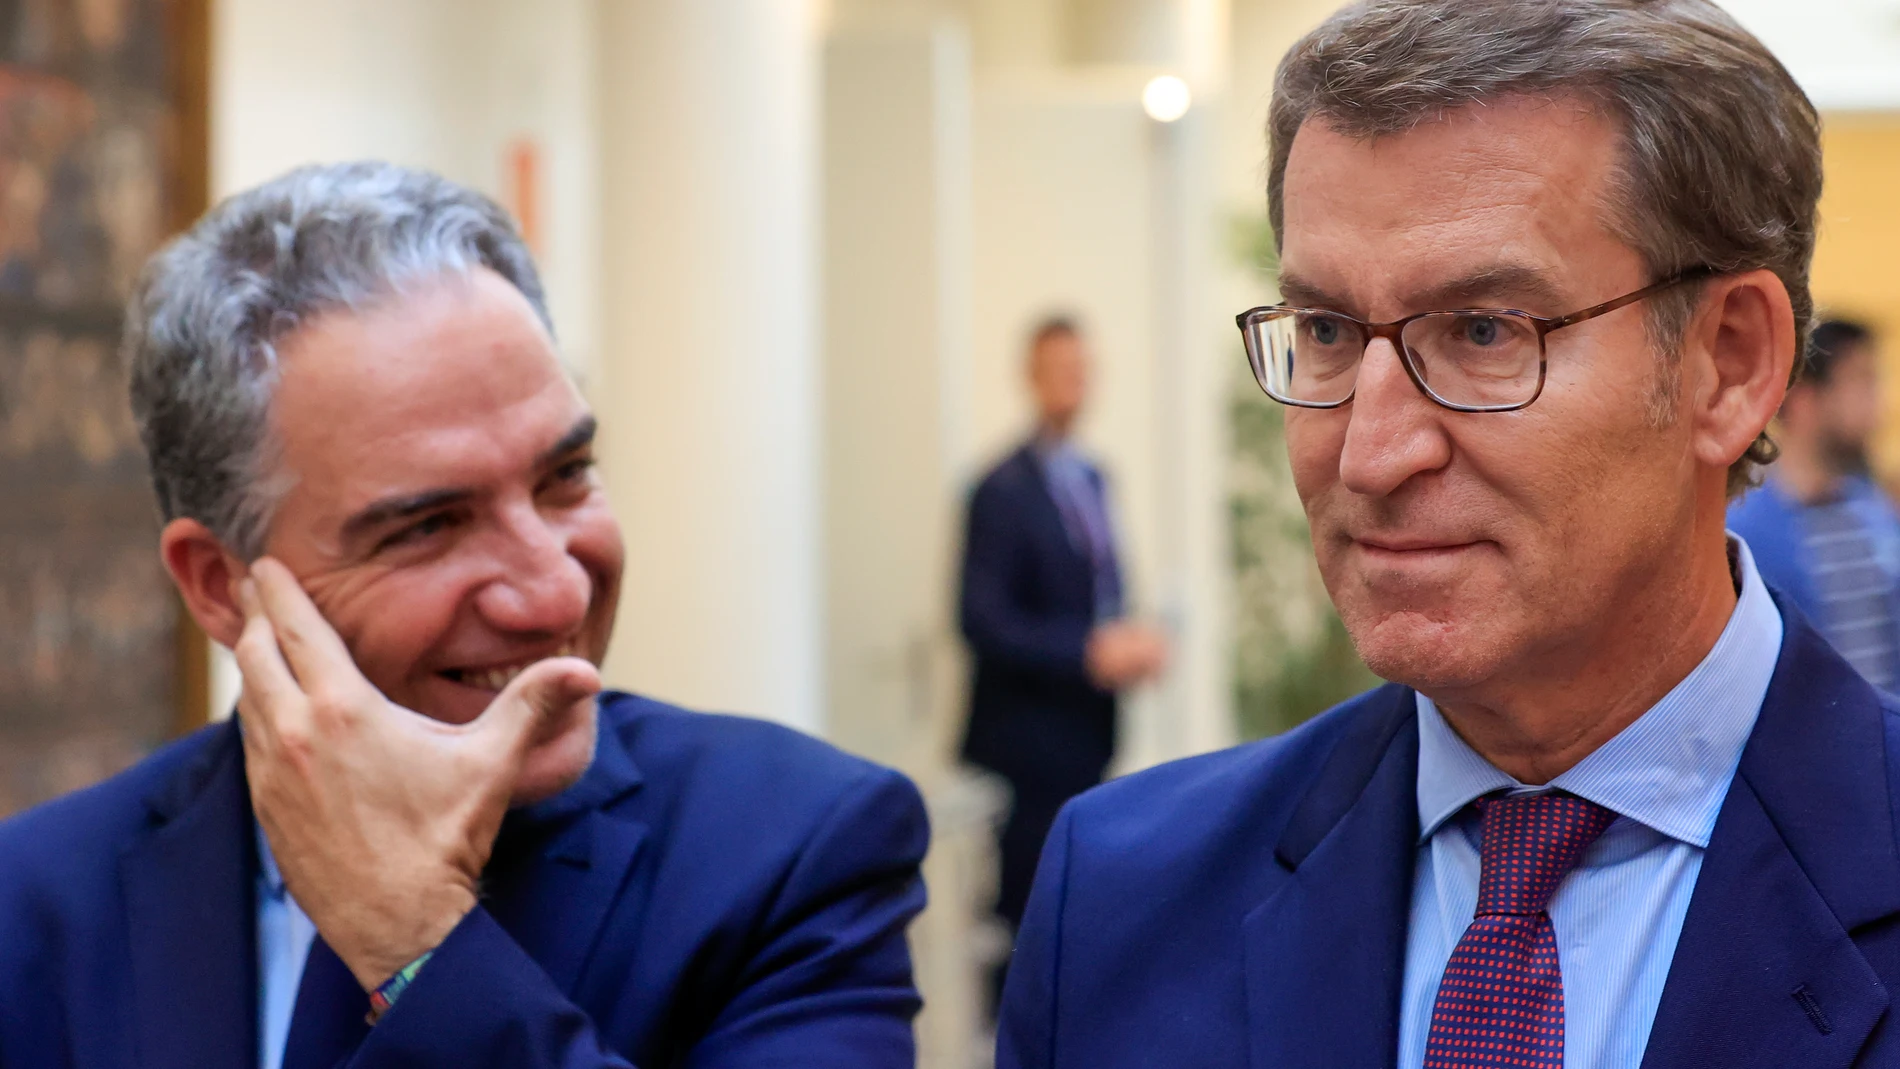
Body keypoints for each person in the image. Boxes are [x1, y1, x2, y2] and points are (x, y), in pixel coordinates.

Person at [997, 1, 1900, 1066]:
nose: (1369, 455)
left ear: (1729, 364)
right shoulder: (1119, 901)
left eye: (1483, 332)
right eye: (1327, 332)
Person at [0, 162, 929, 1069]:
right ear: (216, 582)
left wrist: (412, 944)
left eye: (565, 477)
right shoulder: (37, 905)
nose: (557, 591)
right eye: (429, 525)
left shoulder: (792, 855)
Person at [957, 317, 1167, 975]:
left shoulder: (1095, 477)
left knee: (1082, 906)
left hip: (1088, 732)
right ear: (1031, 375)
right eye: (1059, 368)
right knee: (1027, 922)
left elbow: (1101, 590)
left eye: (1082, 368)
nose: (1072, 382)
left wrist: (1130, 640)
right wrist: (1086, 650)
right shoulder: (999, 488)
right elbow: (980, 619)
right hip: (1026, 744)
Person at [1729, 319, 1900, 690]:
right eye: (1861, 382)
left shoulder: (1877, 512)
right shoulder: (1744, 532)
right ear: (1804, 400)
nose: (1880, 406)